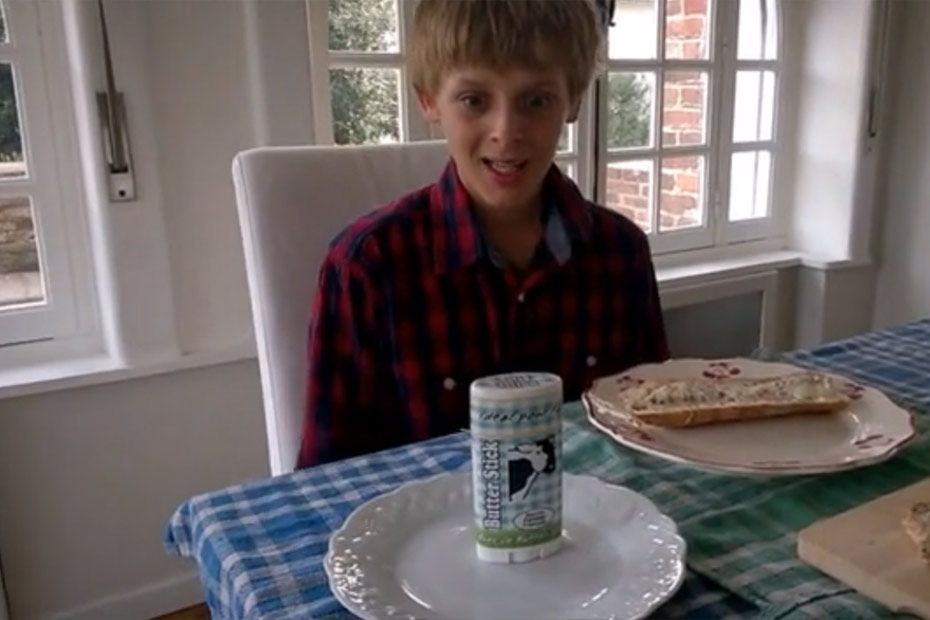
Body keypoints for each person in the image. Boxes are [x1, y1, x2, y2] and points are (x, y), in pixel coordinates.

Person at [297, 0, 668, 468]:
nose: (506, 132)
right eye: (474, 100)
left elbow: (654, 432)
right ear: (429, 100)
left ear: (573, 99)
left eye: (536, 101)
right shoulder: (366, 267)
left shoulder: (621, 254)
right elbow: (325, 477)